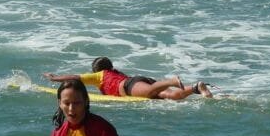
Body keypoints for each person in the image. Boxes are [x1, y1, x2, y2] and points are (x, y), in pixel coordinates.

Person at [44, 56, 213, 100]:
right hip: (137, 81)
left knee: (148, 92)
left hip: (131, 87)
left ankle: (172, 80)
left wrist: (55, 78)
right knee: (172, 96)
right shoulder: (115, 72)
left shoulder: (99, 75)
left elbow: (75, 77)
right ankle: (197, 87)